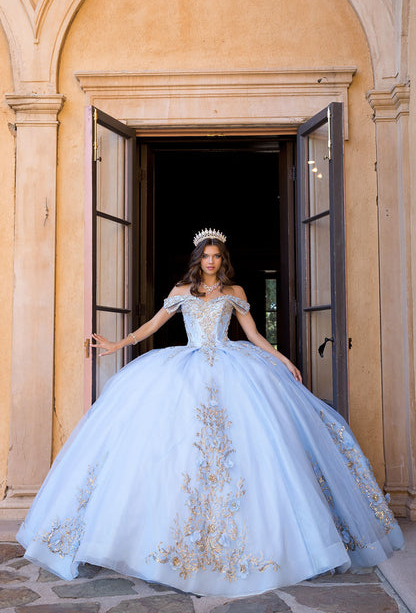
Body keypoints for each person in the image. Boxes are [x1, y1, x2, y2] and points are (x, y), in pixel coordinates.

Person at [17, 228, 404, 597]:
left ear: (223, 260)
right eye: (206, 256)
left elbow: (252, 335)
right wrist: (119, 343)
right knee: (178, 446)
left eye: (217, 256)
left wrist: (283, 360)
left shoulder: (234, 292)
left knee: (249, 445)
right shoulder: (182, 291)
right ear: (197, 259)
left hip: (234, 366)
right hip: (187, 367)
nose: (212, 262)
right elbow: (154, 324)